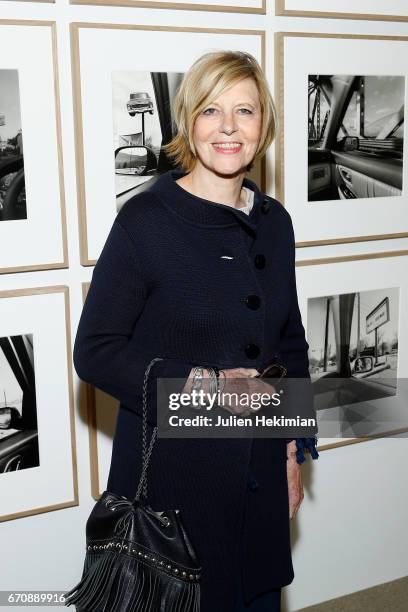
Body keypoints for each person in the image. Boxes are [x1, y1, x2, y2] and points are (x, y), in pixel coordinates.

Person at [73, 50, 319, 612]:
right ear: (188, 123)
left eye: (245, 111)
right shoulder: (146, 221)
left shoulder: (275, 222)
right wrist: (203, 384)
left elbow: (291, 346)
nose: (229, 127)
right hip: (175, 487)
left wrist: (290, 451)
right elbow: (95, 352)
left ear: (265, 125)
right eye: (211, 111)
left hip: (259, 473)